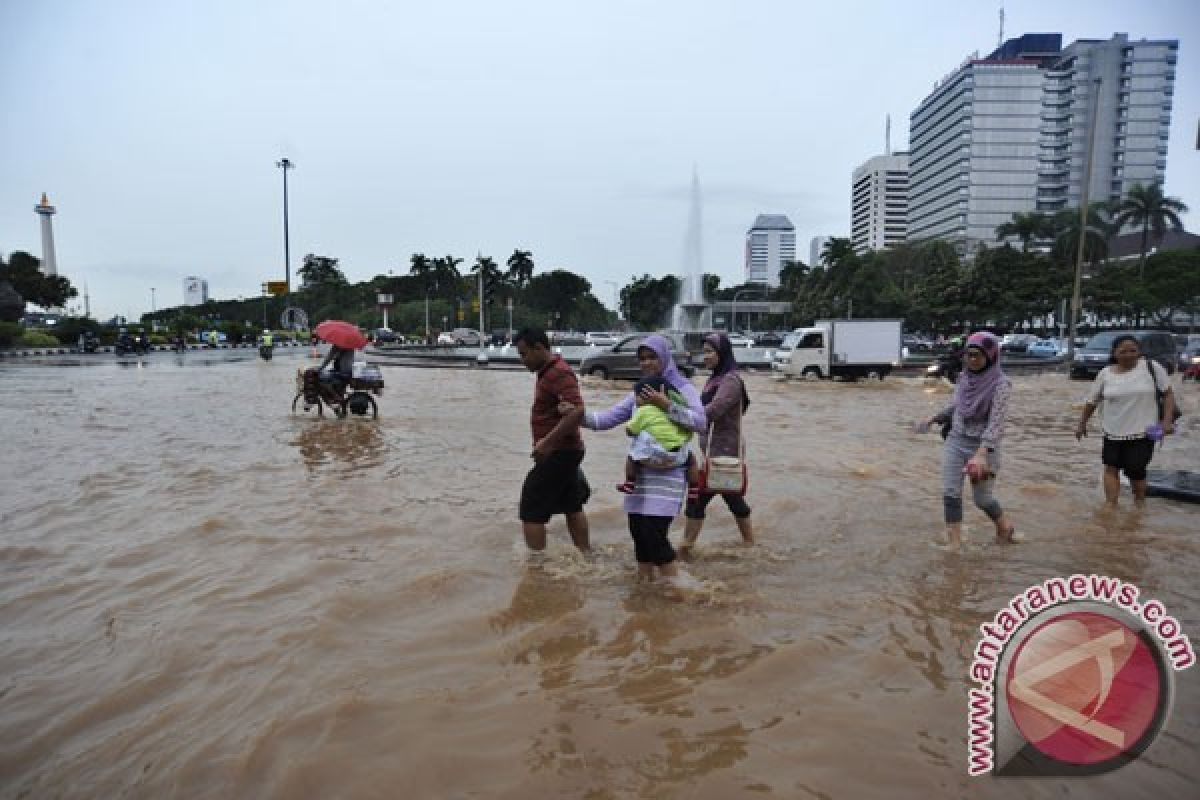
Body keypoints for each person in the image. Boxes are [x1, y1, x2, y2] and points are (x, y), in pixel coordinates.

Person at [568, 334, 707, 584]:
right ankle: (645, 592)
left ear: (664, 358)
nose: (646, 363)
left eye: (652, 357)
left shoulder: (682, 388)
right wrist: (575, 414)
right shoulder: (641, 391)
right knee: (639, 537)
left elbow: (701, 423)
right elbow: (605, 420)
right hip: (640, 477)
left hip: (668, 478)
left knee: (655, 538)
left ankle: (684, 592)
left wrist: (667, 405)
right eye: (642, 358)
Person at [917, 331, 1015, 550]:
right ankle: (955, 544)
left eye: (977, 356)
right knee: (950, 492)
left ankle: (1005, 525)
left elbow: (996, 422)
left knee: (982, 500)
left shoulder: (1001, 385)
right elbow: (958, 406)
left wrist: (981, 454)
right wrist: (934, 418)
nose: (972, 360)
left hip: (984, 447)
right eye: (968, 355)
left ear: (990, 356)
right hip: (956, 441)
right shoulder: (963, 377)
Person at [1075, 334, 1177, 508]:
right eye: (1123, 351)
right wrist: (1081, 423)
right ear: (1114, 353)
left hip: (1144, 432)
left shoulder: (1152, 368)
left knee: (1136, 471)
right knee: (1111, 466)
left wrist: (1166, 421)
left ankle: (1139, 504)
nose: (1129, 354)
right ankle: (1110, 506)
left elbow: (1168, 394)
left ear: (1139, 352)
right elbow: (1092, 401)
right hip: (1112, 431)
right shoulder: (1105, 374)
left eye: (1133, 351)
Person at [513, 327, 591, 553]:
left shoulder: (559, 372)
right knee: (571, 504)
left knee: (531, 507)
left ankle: (537, 567)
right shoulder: (549, 372)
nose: (522, 360)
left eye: (524, 354)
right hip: (565, 451)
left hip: (559, 453)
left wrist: (547, 443)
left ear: (539, 348)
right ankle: (585, 555)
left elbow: (577, 411)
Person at [679, 332, 753, 558]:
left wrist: (680, 415)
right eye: (704, 351)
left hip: (723, 452)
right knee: (733, 498)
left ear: (723, 353)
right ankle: (750, 545)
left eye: (710, 351)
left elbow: (714, 410)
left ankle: (685, 550)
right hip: (713, 452)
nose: (705, 356)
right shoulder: (716, 379)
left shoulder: (730, 380)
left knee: (696, 500)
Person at [618, 375, 699, 495]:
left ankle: (629, 482)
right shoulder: (674, 411)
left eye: (637, 396)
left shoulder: (643, 411)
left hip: (648, 457)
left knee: (631, 456)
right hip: (676, 458)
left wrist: (633, 432)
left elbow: (630, 430)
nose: (635, 400)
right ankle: (693, 489)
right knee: (692, 461)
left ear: (646, 395)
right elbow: (688, 434)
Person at [316, 341, 355, 410]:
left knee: (323, 381)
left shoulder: (340, 344)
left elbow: (329, 357)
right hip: (347, 371)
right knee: (328, 375)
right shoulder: (350, 343)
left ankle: (336, 397)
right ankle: (339, 403)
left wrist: (320, 368)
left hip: (343, 372)